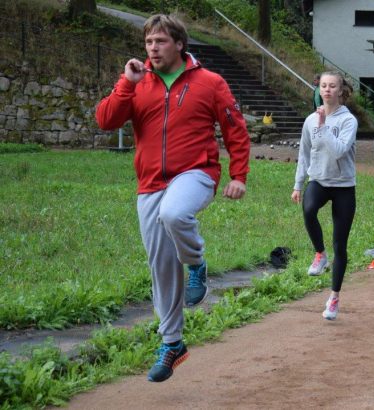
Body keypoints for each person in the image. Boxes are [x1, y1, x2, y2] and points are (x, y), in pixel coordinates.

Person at [95, 14, 250, 382]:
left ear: (179, 44)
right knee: (162, 267)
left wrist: (238, 175)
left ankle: (196, 263)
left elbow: (235, 130)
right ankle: (172, 343)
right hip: (149, 182)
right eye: (149, 42)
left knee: (176, 213)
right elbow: (105, 121)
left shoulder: (209, 83)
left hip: (196, 172)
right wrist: (125, 84)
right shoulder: (137, 83)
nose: (153, 48)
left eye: (161, 41)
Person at [292, 71, 357, 320]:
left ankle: (334, 298)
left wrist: (324, 126)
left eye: (332, 86)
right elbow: (304, 154)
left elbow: (340, 151)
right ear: (319, 89)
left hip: (343, 185)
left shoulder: (348, 120)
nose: (327, 90)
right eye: (323, 86)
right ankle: (320, 253)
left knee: (341, 244)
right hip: (318, 179)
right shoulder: (310, 120)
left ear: (341, 91)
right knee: (308, 209)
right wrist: (298, 185)